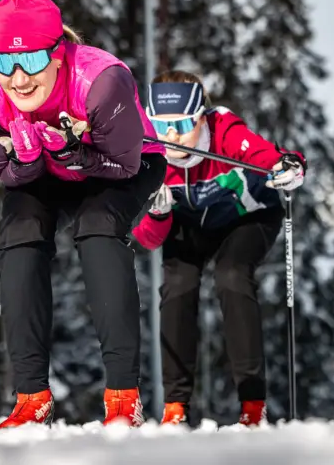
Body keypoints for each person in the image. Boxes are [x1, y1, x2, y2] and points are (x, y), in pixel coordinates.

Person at [0, 0, 166, 429]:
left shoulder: (101, 80)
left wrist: (78, 155)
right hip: (46, 171)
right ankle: (31, 397)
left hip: (121, 166)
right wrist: (29, 161)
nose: (18, 79)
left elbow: (125, 164)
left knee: (97, 228)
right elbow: (6, 175)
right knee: (20, 236)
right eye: (5, 62)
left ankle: (122, 398)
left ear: (58, 54)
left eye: (32, 61)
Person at [131, 71, 306, 427]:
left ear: (201, 116)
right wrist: (158, 212)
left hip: (247, 218)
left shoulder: (225, 132)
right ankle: (175, 407)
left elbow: (271, 156)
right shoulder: (149, 153)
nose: (172, 135)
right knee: (178, 285)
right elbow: (147, 239)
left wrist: (291, 167)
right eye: (161, 125)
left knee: (231, 275)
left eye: (181, 123)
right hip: (191, 227)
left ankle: (253, 405)